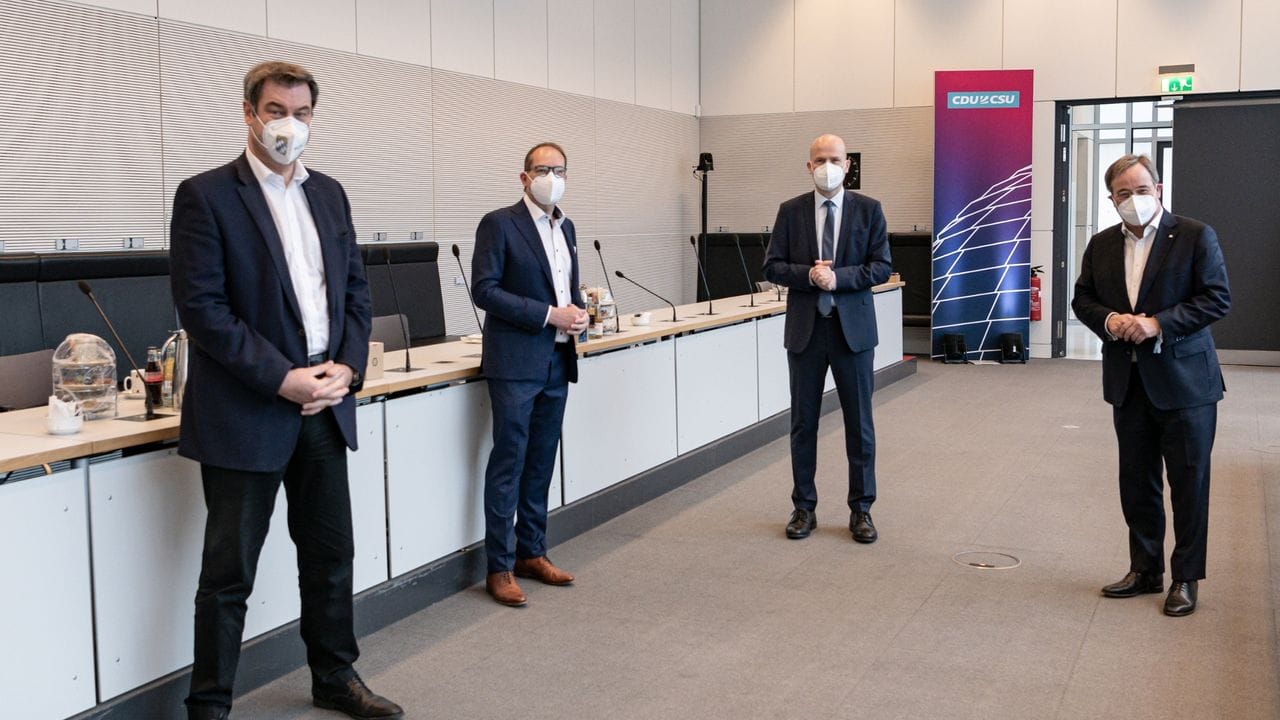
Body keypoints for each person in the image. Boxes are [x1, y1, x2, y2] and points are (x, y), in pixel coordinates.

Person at [169, 62, 403, 719]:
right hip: (249, 409)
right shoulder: (207, 195)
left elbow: (354, 294)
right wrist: (283, 377)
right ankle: (209, 703)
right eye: (276, 111)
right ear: (249, 113)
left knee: (330, 557)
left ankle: (335, 677)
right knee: (228, 576)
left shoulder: (328, 193)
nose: (288, 126)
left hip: (326, 406)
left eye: (301, 114)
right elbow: (204, 310)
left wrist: (347, 369)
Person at [1072, 153, 1230, 617]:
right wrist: (1110, 319)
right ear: (1112, 199)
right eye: (1124, 194)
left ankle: (1185, 578)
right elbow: (1083, 299)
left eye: (1142, 190)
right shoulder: (1101, 245)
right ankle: (1145, 569)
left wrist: (1159, 323)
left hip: (1186, 383)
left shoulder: (1196, 236)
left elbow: (1216, 297)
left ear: (1158, 190)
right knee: (1137, 481)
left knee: (1188, 482)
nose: (1134, 200)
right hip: (1129, 381)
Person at [472, 142, 589, 607]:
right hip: (516, 363)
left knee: (541, 461)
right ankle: (499, 566)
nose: (552, 177)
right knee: (510, 462)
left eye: (560, 170)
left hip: (558, 360)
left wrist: (577, 313)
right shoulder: (500, 224)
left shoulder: (568, 226)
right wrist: (548, 315)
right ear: (524, 177)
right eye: (544, 170)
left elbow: (567, 288)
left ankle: (531, 552)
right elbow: (486, 290)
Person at [763, 133, 892, 544]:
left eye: (834, 158)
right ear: (808, 166)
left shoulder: (869, 210)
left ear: (847, 164)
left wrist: (839, 278)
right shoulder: (790, 211)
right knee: (803, 425)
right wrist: (808, 275)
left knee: (860, 425)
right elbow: (773, 266)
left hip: (853, 333)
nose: (827, 165)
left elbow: (881, 266)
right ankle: (804, 506)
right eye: (819, 159)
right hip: (806, 331)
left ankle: (862, 510)